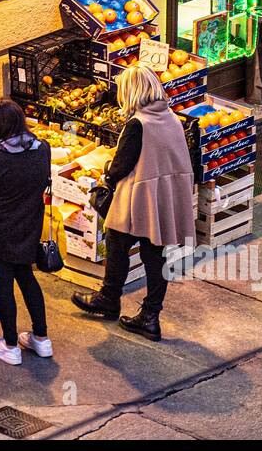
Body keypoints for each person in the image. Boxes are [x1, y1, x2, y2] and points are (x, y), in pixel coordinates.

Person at [71, 64, 195, 340]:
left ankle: (109, 299)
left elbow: (120, 166)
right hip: (165, 197)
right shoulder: (171, 118)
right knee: (155, 255)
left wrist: (105, 172)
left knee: (117, 241)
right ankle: (150, 315)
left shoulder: (138, 124)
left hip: (139, 197)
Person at [0, 97, 53, 366]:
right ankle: (41, 338)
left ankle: (10, 344)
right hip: (29, 225)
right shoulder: (42, 148)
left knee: (3, 284)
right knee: (26, 277)